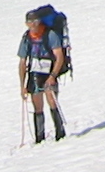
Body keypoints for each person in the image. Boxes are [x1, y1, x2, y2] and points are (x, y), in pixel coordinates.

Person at [17, 9, 67, 141]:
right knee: (37, 105)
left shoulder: (50, 35)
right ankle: (39, 137)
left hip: (50, 72)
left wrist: (53, 76)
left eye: (35, 21)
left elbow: (59, 56)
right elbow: (22, 62)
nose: (32, 25)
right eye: (29, 22)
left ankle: (60, 133)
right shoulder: (27, 38)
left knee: (52, 101)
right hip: (34, 73)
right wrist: (22, 86)